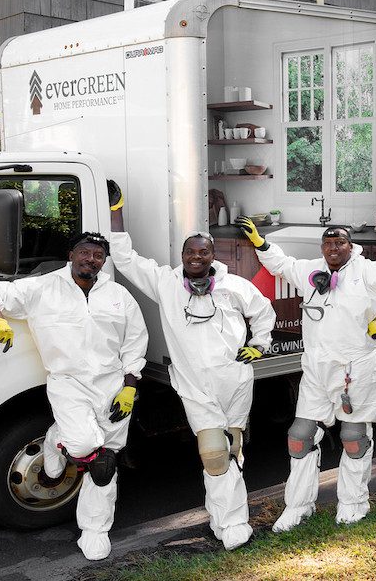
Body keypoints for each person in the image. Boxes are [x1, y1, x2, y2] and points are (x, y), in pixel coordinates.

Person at [108, 193, 275, 551]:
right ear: (182, 256)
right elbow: (124, 258)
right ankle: (234, 524)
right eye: (190, 253)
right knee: (214, 453)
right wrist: (116, 211)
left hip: (235, 381)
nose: (196, 258)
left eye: (203, 252)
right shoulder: (166, 284)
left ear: (213, 256)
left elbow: (263, 312)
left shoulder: (233, 286)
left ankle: (221, 517)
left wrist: (259, 344)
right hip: (195, 386)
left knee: (232, 450)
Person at [234, 216, 376, 532]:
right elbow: (281, 265)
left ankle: (352, 505)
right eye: (327, 243)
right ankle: (298, 507)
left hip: (357, 370)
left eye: (339, 242)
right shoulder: (313, 271)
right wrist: (260, 242)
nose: (332, 247)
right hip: (316, 370)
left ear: (352, 246)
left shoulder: (369, 272)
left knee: (353, 438)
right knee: (299, 437)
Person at [0, 231, 148, 561]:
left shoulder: (119, 296)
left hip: (113, 387)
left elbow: (135, 343)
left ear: (104, 261)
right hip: (68, 385)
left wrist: (129, 386)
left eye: (98, 256)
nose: (91, 260)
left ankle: (94, 531)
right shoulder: (43, 288)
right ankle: (58, 439)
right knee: (84, 446)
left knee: (105, 464)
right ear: (71, 254)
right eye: (85, 253)